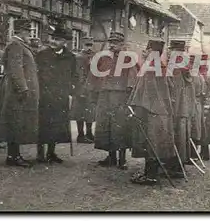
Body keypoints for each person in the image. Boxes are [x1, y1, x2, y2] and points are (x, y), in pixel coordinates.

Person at [0, 19, 39, 167]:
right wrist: (23, 88)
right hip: (16, 91)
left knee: (17, 121)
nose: (29, 35)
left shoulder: (19, 44)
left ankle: (14, 154)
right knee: (14, 122)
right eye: (28, 32)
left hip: (17, 90)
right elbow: (16, 69)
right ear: (20, 32)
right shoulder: (15, 45)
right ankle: (13, 156)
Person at [128, 39, 177, 185]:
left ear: (151, 51)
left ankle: (150, 176)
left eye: (146, 49)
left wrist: (135, 108)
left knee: (151, 144)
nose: (144, 51)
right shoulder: (162, 67)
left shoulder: (150, 68)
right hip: (162, 112)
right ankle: (150, 174)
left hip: (151, 113)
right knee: (155, 143)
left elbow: (145, 93)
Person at [94, 31, 137, 169]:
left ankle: (122, 159)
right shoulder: (104, 57)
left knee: (120, 127)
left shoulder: (128, 58)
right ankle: (111, 157)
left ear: (122, 44)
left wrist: (129, 96)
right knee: (106, 126)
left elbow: (132, 78)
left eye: (115, 43)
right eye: (111, 42)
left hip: (120, 97)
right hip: (105, 96)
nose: (112, 45)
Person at [35, 25, 76, 163]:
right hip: (44, 95)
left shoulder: (70, 57)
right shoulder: (42, 54)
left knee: (56, 125)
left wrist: (71, 91)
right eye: (52, 38)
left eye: (57, 39)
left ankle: (51, 153)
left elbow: (74, 75)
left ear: (65, 42)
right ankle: (40, 154)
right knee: (43, 124)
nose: (53, 41)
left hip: (61, 96)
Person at [167, 40, 195, 173]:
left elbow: (173, 90)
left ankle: (175, 166)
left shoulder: (176, 68)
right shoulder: (186, 67)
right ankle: (179, 165)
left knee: (176, 136)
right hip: (184, 108)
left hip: (176, 108)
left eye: (171, 50)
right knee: (182, 136)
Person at [71, 36, 96, 144]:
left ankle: (89, 133)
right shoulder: (78, 57)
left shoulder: (95, 56)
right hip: (81, 88)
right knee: (80, 112)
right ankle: (80, 135)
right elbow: (77, 74)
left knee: (90, 112)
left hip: (91, 88)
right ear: (82, 45)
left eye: (90, 45)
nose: (89, 48)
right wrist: (80, 88)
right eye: (87, 45)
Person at [198, 54, 210, 161]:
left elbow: (206, 92)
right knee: (204, 129)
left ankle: (204, 153)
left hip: (204, 104)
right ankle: (203, 152)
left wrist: (205, 104)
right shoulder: (207, 75)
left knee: (203, 129)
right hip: (206, 103)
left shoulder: (205, 76)